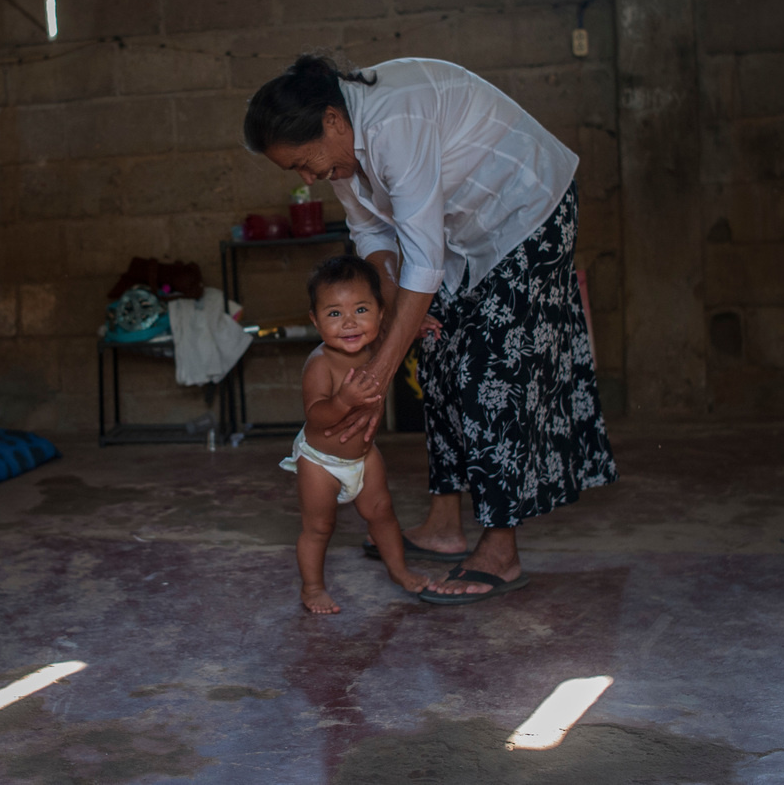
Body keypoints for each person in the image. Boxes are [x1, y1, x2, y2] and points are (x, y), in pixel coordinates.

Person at [246, 55, 618, 606]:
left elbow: (421, 255)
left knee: (494, 372)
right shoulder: (343, 150)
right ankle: (446, 524)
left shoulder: (393, 121)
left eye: (305, 163)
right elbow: (370, 229)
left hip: (526, 210)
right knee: (439, 354)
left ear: (330, 121)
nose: (307, 178)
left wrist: (376, 373)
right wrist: (396, 313)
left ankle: (501, 550)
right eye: (296, 171)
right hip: (462, 233)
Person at [281, 255, 431, 614]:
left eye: (360, 309)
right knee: (319, 527)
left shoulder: (377, 350)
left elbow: (397, 342)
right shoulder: (321, 363)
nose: (349, 323)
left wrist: (413, 328)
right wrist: (343, 400)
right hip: (321, 463)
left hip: (364, 456)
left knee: (383, 513)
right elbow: (316, 417)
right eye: (334, 314)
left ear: (381, 313)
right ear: (316, 321)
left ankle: (399, 571)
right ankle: (313, 588)